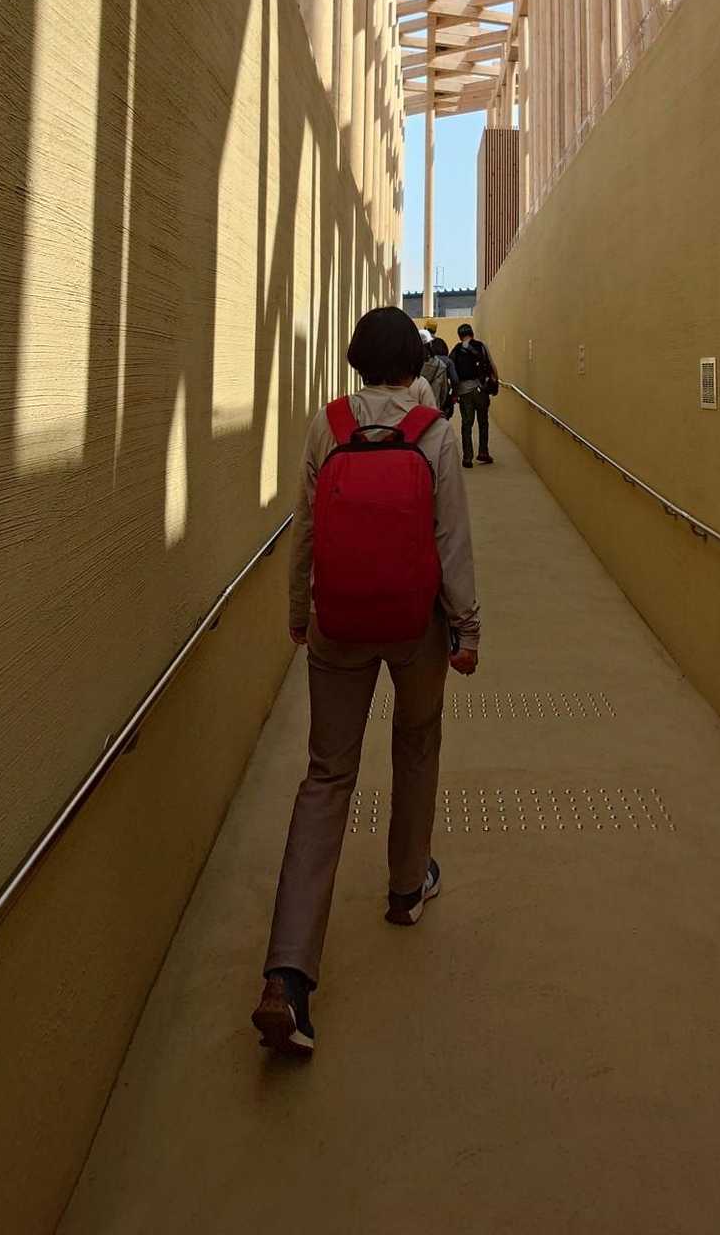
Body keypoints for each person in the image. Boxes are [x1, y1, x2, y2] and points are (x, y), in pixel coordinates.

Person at [252, 305, 480, 1058]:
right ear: (413, 366)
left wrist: (299, 613)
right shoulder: (434, 433)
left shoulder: (328, 426)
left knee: (326, 777)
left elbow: (306, 530)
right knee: (416, 742)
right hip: (415, 627)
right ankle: (407, 888)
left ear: (355, 362)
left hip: (339, 626)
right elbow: (451, 539)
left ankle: (287, 977)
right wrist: (467, 629)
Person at [449, 322, 499, 468]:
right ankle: (483, 452)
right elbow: (491, 365)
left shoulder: (456, 350)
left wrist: (455, 392)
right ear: (472, 333)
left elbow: (452, 373)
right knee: (483, 422)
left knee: (466, 424)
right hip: (481, 390)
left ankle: (467, 458)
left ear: (460, 336)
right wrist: (495, 381)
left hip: (464, 392)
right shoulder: (481, 346)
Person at [421, 334, 455, 418]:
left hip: (418, 411)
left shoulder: (414, 366)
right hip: (435, 409)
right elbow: (444, 391)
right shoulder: (442, 365)